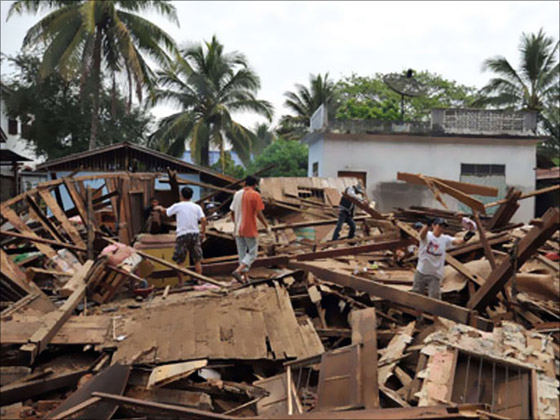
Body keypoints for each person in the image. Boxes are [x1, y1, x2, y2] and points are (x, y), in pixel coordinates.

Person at [154, 187, 206, 286]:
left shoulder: (178, 206)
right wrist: (203, 232)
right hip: (195, 234)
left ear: (181, 195)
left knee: (180, 260)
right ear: (191, 196)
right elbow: (203, 220)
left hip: (182, 235)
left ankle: (181, 282)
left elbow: (166, 212)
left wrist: (159, 208)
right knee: (197, 259)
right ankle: (199, 280)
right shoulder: (196, 207)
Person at [411, 218, 466, 299]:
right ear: (434, 226)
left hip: (435, 274)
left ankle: (431, 312)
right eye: (440, 226)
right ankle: (415, 311)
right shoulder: (428, 235)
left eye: (444, 227)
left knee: (435, 297)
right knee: (416, 296)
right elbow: (422, 235)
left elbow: (458, 242)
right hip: (422, 271)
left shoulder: (445, 239)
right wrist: (427, 225)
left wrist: (467, 237)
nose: (441, 229)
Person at [230, 176, 271, 284]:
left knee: (242, 255)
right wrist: (267, 225)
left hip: (237, 229)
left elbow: (232, 212)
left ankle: (245, 278)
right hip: (249, 228)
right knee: (252, 254)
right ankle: (238, 272)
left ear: (245, 183)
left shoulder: (237, 194)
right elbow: (259, 213)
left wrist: (236, 224)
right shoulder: (255, 195)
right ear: (255, 185)